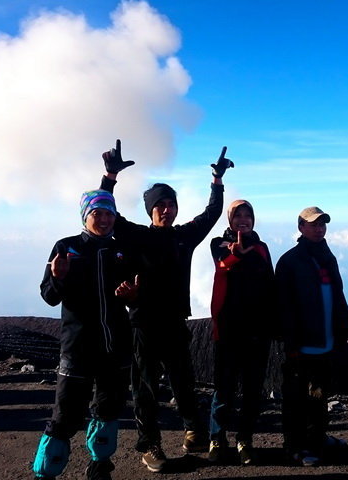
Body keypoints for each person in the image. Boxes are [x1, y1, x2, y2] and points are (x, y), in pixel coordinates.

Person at [98, 140, 232, 472]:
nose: (167, 210)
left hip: (174, 321)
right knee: (144, 388)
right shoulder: (135, 235)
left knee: (183, 381)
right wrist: (110, 176)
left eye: (171, 204)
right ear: (151, 210)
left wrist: (216, 182)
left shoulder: (183, 236)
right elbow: (107, 212)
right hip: (143, 323)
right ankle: (150, 445)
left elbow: (211, 214)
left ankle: (195, 431)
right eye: (161, 205)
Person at [32, 190, 139, 480]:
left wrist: (133, 296)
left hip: (115, 348)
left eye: (109, 213)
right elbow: (49, 297)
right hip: (77, 349)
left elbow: (133, 297)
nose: (104, 219)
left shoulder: (121, 250)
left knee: (108, 411)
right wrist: (57, 278)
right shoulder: (66, 247)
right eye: (97, 213)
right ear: (85, 216)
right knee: (64, 419)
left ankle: (100, 465)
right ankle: (46, 473)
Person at [275, 206, 348, 467]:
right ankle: (295, 447)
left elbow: (337, 295)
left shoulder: (326, 256)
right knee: (297, 398)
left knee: (320, 395)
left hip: (326, 341)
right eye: (313, 224)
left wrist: (346, 330)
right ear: (300, 226)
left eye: (322, 223)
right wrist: (291, 343)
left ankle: (317, 438)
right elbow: (283, 307)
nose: (319, 227)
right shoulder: (290, 261)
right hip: (302, 345)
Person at [206, 199, 277, 465]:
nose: (243, 219)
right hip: (227, 329)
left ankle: (244, 439)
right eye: (238, 215)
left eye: (248, 215)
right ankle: (216, 438)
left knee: (252, 390)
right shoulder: (219, 244)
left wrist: (275, 322)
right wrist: (236, 252)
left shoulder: (262, 248)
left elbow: (270, 284)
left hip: (258, 330)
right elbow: (222, 264)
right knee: (223, 389)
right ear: (230, 220)